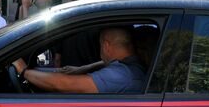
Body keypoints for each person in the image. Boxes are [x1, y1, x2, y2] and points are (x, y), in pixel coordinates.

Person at [12, 27, 146, 94]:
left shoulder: (121, 75)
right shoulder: (134, 66)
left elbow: (63, 83)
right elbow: (109, 64)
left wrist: (23, 70)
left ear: (105, 46)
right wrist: (83, 69)